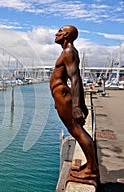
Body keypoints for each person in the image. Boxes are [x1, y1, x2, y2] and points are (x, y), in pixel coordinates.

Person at [50, 25, 99, 179]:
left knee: (77, 131)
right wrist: (82, 103)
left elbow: (75, 79)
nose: (56, 34)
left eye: (60, 32)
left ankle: (92, 169)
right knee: (76, 130)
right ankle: (90, 165)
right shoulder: (68, 52)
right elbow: (78, 79)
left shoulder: (69, 52)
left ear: (67, 35)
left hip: (64, 95)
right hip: (61, 96)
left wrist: (77, 106)